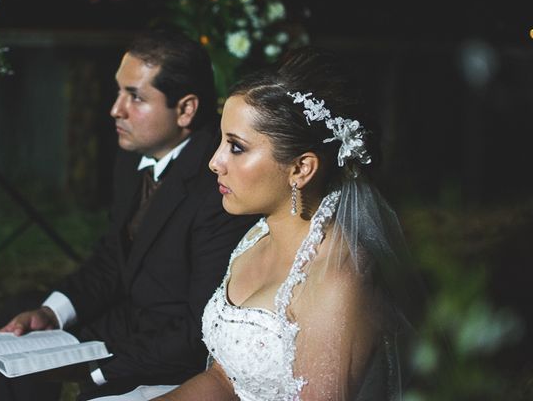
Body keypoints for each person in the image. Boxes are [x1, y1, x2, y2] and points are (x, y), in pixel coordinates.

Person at [0, 29, 258, 400]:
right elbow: (112, 259)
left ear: (185, 109)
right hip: (123, 322)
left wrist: (96, 371)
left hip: (172, 350)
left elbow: (200, 328)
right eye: (119, 91)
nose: (116, 109)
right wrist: (52, 313)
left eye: (135, 97)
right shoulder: (132, 155)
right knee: (21, 324)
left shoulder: (218, 184)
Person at [151, 46, 412, 401]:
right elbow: (226, 378)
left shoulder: (339, 282)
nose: (215, 162)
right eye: (221, 142)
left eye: (237, 147)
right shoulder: (256, 236)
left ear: (301, 169)